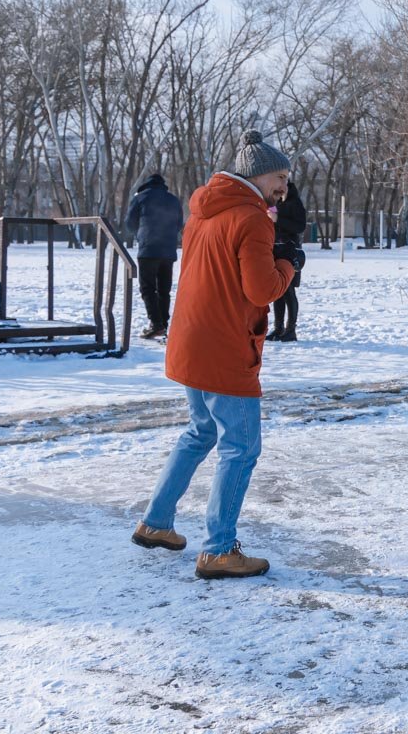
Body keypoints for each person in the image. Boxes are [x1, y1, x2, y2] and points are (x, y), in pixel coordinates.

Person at [131, 130, 301, 580]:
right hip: (225, 346)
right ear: (259, 175)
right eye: (281, 178)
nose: (284, 188)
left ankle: (156, 522)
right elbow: (262, 290)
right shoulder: (252, 219)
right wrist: (289, 263)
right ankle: (219, 549)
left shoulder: (204, 212)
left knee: (200, 432)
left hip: (191, 341)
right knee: (240, 449)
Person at [125, 174, 184, 338]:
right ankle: (163, 324)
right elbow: (179, 223)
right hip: (168, 250)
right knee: (164, 289)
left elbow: (129, 223)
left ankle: (156, 324)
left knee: (148, 288)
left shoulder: (140, 198)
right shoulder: (173, 200)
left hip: (148, 250)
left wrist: (141, 235)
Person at [268, 181, 307, 342]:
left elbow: (300, 226)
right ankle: (278, 328)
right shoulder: (275, 204)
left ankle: (291, 329)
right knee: (278, 291)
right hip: (275, 250)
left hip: (290, 251)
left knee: (289, 291)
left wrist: (278, 219)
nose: (280, 190)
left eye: (282, 188)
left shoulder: (295, 203)